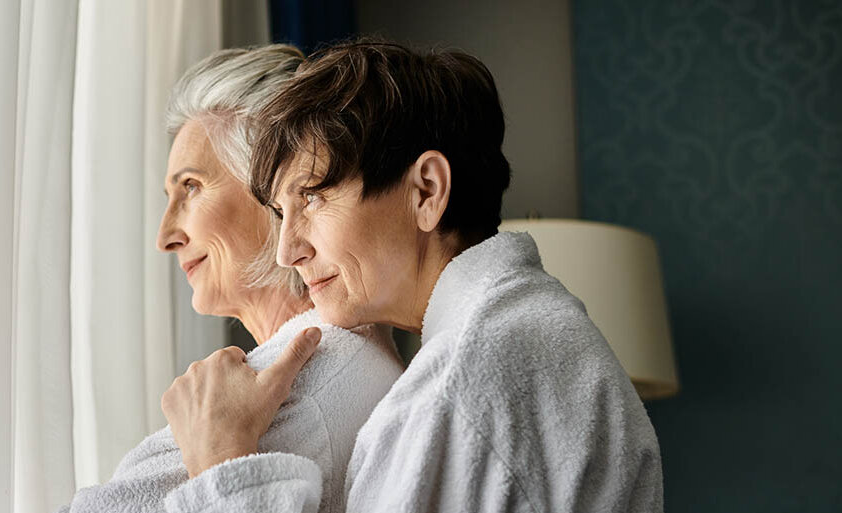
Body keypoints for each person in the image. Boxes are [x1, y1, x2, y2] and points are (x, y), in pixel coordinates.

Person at [160, 40, 664, 512]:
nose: (288, 249)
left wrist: (221, 460)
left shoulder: (459, 389)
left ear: (426, 191)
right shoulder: (528, 332)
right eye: (280, 211)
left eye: (312, 196)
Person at [58, 45, 405, 513]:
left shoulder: (286, 394)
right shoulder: (350, 361)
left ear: (275, 191)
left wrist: (220, 450)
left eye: (192, 187)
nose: (166, 236)